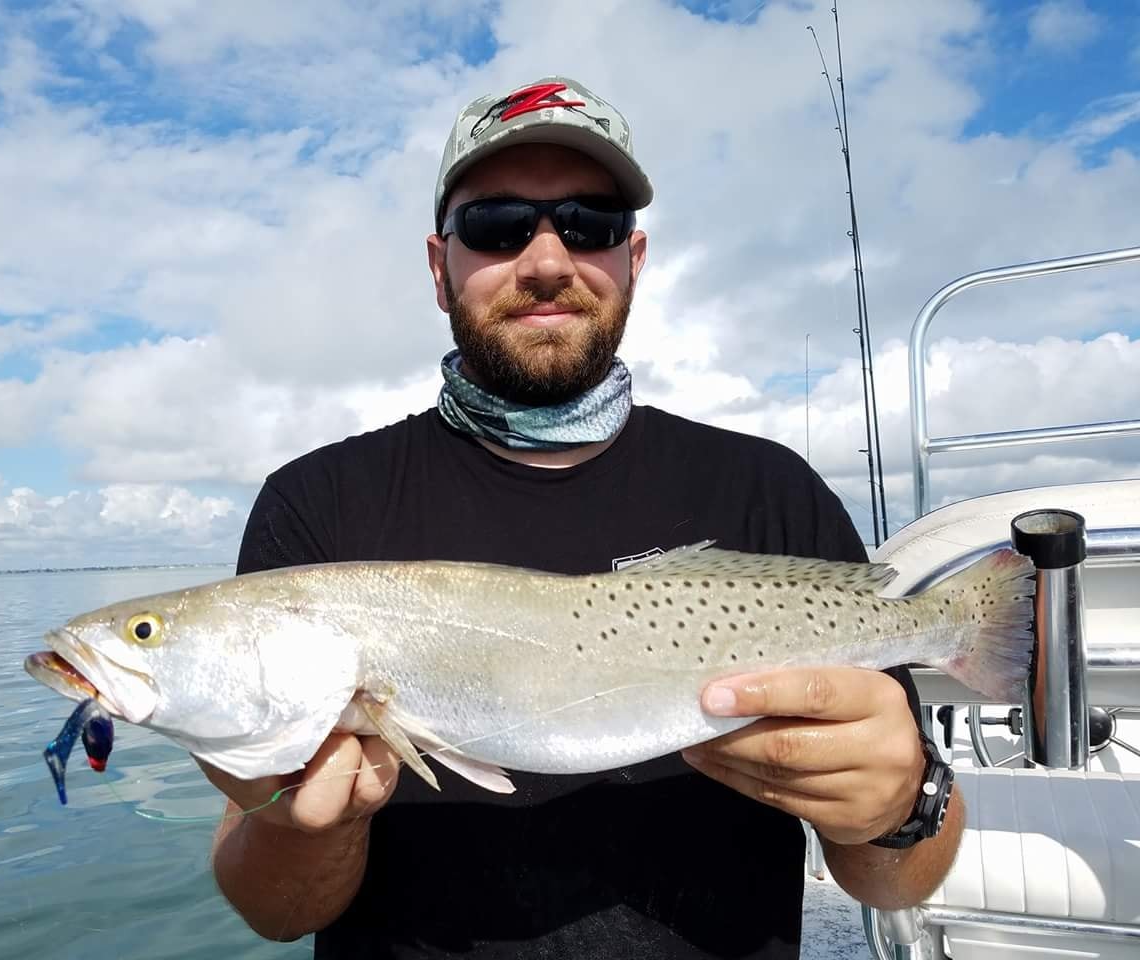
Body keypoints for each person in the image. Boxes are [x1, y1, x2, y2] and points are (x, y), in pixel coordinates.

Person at [200, 76, 964, 959]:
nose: (549, 259)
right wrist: (305, 827)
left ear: (632, 259)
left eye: (589, 225)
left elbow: (897, 881)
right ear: (438, 265)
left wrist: (905, 806)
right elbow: (278, 911)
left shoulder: (771, 489)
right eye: (497, 227)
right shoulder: (317, 506)